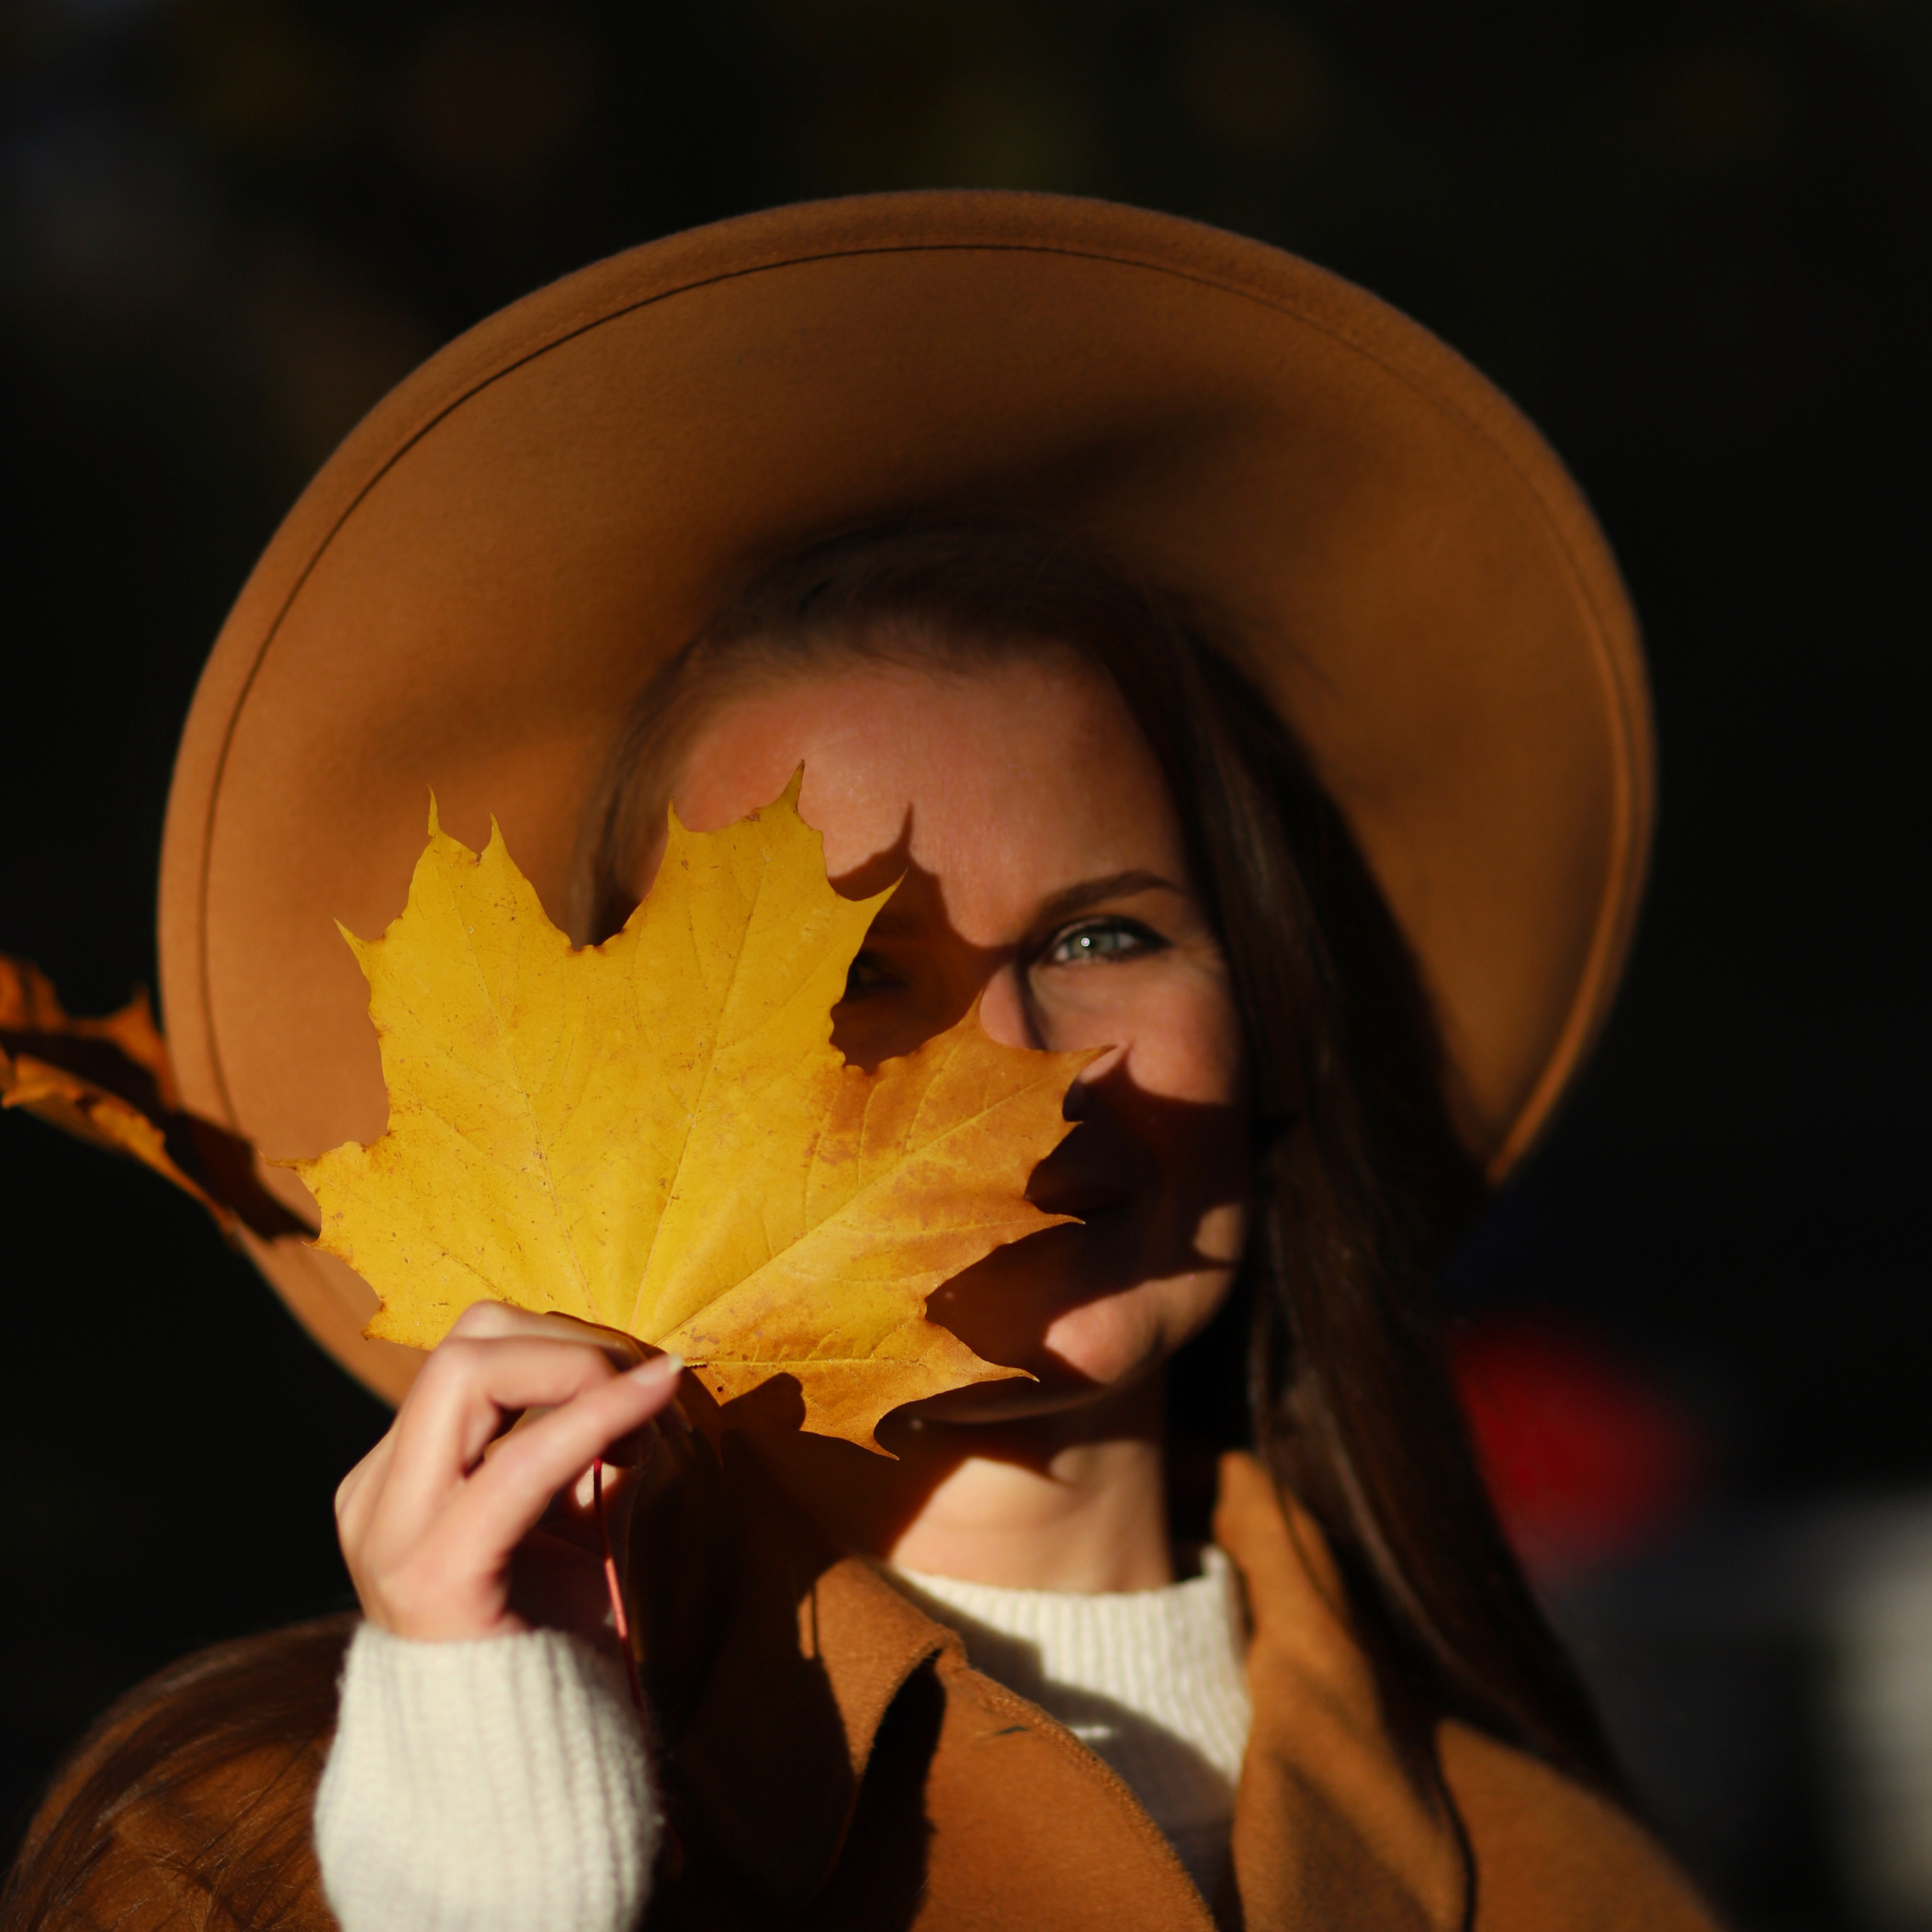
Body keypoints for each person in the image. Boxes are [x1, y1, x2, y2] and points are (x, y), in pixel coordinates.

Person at [3, 195, 1718, 1932]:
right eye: (855, 982)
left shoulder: (1570, 1891)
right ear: (636, 1099)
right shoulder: (246, 1861)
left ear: (1273, 1015)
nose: (1012, 1063)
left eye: (1100, 936)